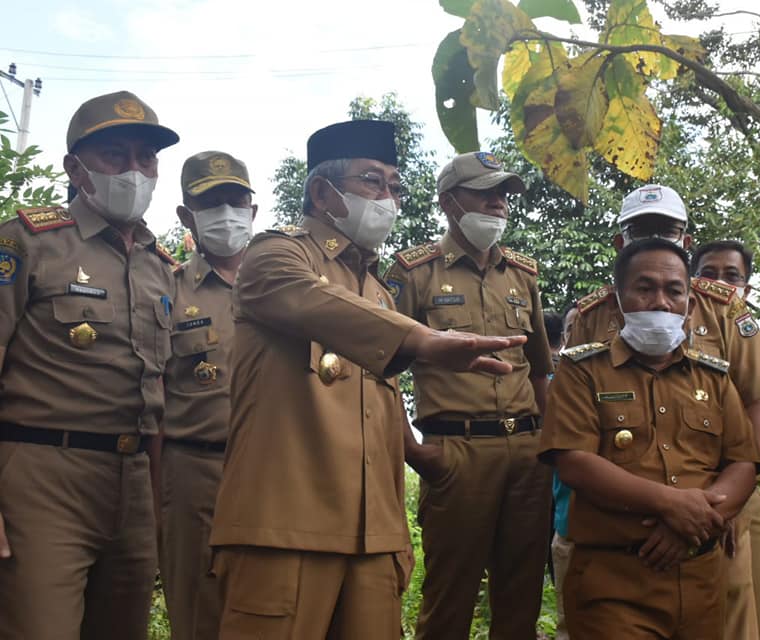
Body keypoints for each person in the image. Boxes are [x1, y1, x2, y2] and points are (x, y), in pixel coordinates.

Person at [209, 123, 524, 640]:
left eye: (395, 186)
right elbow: (314, 301)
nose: (388, 198)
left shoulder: (379, 292)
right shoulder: (275, 255)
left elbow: (379, 414)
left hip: (371, 540)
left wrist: (395, 528)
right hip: (284, 531)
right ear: (321, 193)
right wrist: (423, 339)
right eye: (372, 182)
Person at [568, 185, 760, 638]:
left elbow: (757, 406)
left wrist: (708, 512)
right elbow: (574, 438)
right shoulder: (593, 314)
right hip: (620, 525)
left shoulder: (724, 308)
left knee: (735, 622)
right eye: (641, 230)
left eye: (667, 231)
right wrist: (673, 508)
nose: (656, 239)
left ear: (686, 241)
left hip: (722, 509)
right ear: (619, 242)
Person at [0, 90, 179, 639]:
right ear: (75, 168)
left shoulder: (163, 267)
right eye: (114, 155)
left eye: (145, 157)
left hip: (134, 485)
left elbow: (159, 392)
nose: (134, 170)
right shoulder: (27, 241)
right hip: (42, 474)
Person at [540, 238, 760, 639]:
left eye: (674, 290)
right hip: (614, 584)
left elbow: (743, 462)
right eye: (644, 288)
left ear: (689, 305)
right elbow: (574, 461)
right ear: (619, 301)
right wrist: (673, 505)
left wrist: (691, 525)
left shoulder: (713, 377)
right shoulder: (582, 372)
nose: (660, 301)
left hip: (702, 579)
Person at [384, 151, 554, 640]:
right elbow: (382, 367)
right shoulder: (414, 273)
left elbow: (540, 372)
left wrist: (549, 447)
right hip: (455, 452)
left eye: (504, 195)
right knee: (449, 598)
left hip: (526, 453)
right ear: (449, 202)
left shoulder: (523, 276)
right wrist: (414, 452)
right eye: (486, 193)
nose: (499, 204)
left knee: (521, 595)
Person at [159, 151, 257, 639]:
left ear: (253, 211)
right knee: (200, 616)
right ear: (186, 216)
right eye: (211, 201)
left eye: (236, 200)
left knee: (281, 608)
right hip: (197, 474)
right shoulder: (169, 291)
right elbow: (150, 396)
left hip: (278, 473)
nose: (226, 213)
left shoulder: (285, 287)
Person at [691, 239, 760, 639]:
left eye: (731, 276)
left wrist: (738, 461)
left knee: (746, 614)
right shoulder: (671, 336)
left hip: (743, 494)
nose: (720, 283)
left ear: (747, 288)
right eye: (709, 273)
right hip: (679, 490)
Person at [549, 305, 579, 640]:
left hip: (631, 537)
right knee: (571, 626)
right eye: (572, 328)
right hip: (571, 528)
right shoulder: (554, 387)